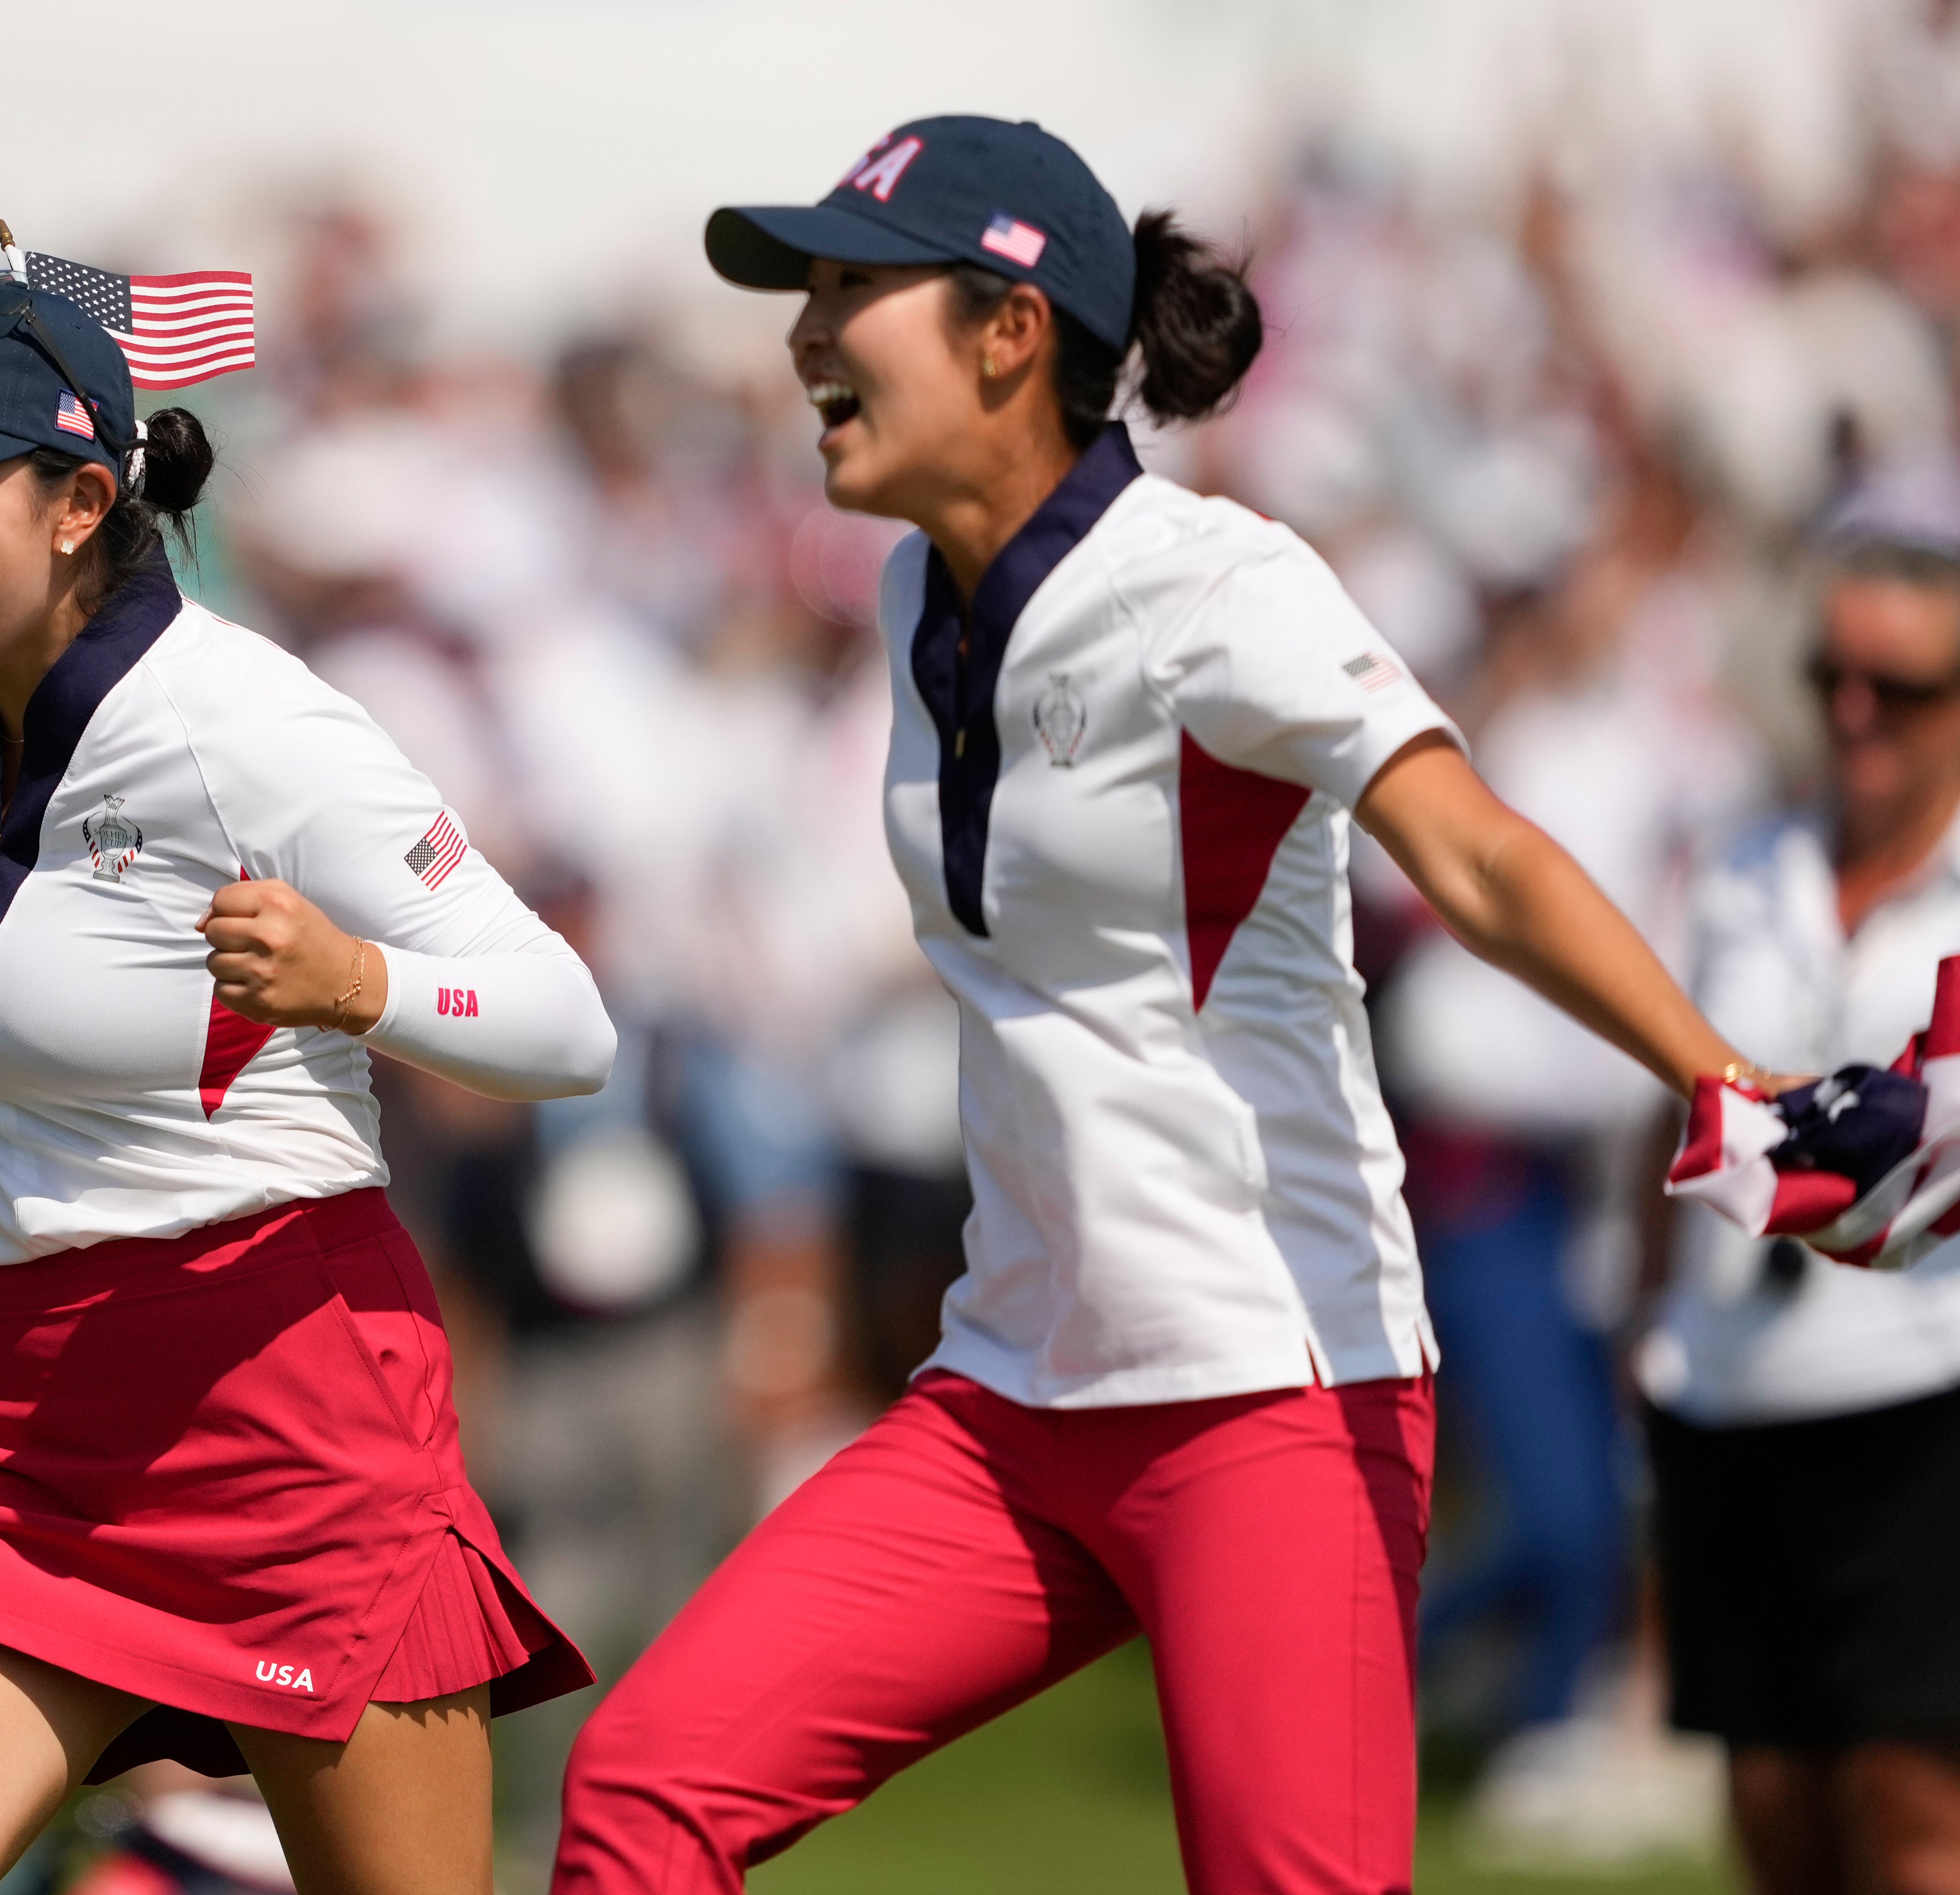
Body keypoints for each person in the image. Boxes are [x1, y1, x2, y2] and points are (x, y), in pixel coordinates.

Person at [552, 115, 1808, 1895]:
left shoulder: (1212, 583)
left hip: (1266, 1391)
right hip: (1011, 1391)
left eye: (850, 287)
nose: (803, 333)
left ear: (1008, 333)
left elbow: (1476, 858)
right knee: (644, 1791)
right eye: (804, 291)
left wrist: (1722, 1079)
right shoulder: (920, 584)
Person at [0, 263, 612, 1895]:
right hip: (15, 1424)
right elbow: (15, 941)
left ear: (84, 502)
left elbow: (565, 1023)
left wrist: (356, 983)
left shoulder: (254, 725)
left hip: (285, 1406)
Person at [1638, 524, 1960, 1895]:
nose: (1854, 715)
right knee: (1780, 1823)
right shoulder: (1739, 866)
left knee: (1925, 1821)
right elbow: (1668, 1110)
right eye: (1829, 676)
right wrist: (1643, 1317)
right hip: (1742, 1390)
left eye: (1894, 688)